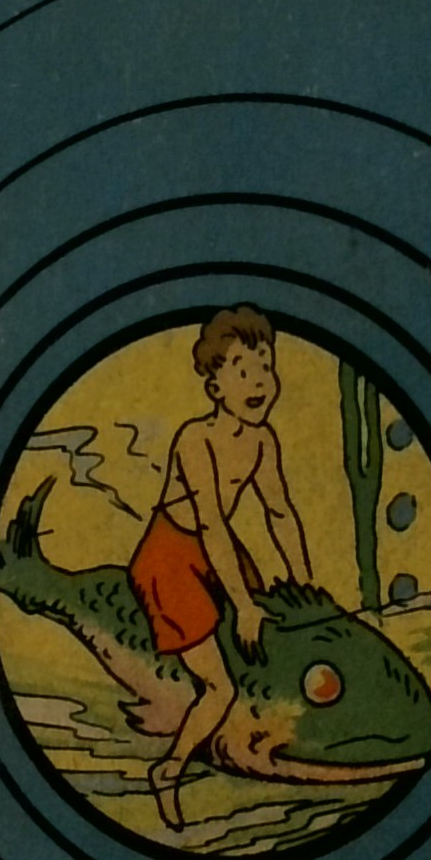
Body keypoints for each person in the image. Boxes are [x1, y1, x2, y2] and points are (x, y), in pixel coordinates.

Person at [126, 305, 312, 828]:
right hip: (168, 554)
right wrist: (244, 606)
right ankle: (169, 771)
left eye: (266, 367)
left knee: (274, 613)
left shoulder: (263, 441)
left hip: (215, 547)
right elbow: (209, 522)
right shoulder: (195, 439)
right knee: (220, 686)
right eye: (243, 370)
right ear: (214, 386)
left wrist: (307, 586)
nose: (260, 382)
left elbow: (280, 512)